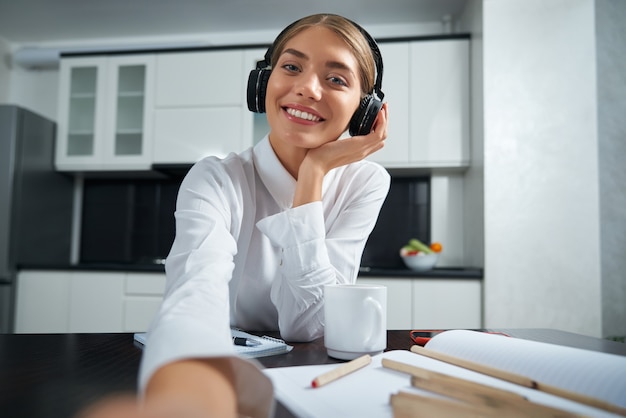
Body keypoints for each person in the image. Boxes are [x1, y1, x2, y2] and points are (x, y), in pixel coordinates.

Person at [138, 13, 390, 417]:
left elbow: (310, 325)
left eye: (336, 79)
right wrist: (185, 397)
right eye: (291, 67)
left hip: (311, 385)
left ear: (364, 112)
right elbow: (194, 294)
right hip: (233, 369)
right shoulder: (215, 179)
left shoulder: (366, 182)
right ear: (263, 84)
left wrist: (313, 174)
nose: (306, 88)